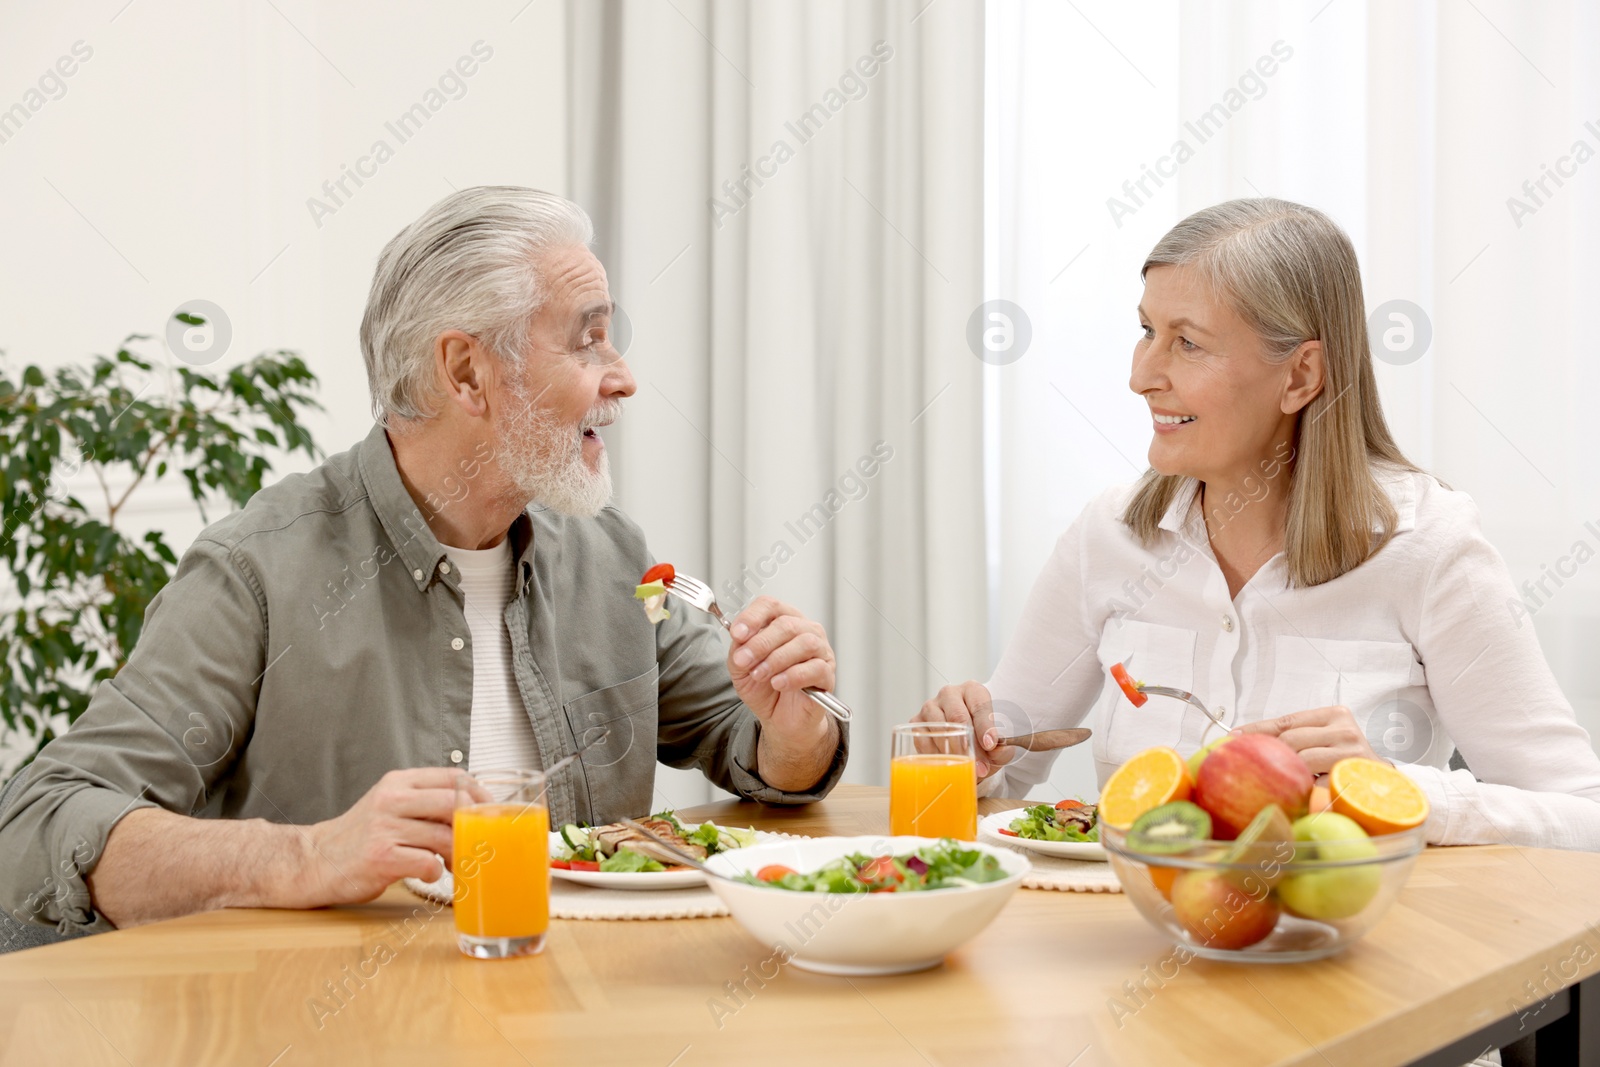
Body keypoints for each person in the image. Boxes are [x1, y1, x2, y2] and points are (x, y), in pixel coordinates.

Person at [0, 186, 848, 936]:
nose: (622, 378)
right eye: (587, 342)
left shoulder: (611, 554)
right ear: (466, 371)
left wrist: (793, 724)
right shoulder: (257, 572)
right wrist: (304, 858)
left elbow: (755, 750)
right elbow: (38, 825)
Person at [915, 198, 1600, 850]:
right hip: (1137, 953)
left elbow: (1583, 817)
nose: (1142, 376)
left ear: (1300, 376)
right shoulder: (1111, 536)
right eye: (1148, 330)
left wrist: (1394, 791)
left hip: (1351, 959)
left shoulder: (1428, 546)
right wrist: (960, 748)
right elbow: (1001, 771)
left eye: (1188, 343)